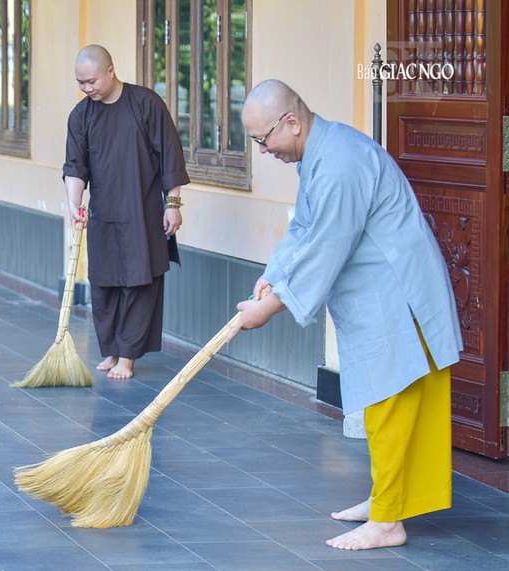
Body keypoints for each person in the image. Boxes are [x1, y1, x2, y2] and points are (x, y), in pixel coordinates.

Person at [227, 79, 463, 550]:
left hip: (398, 293)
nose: (263, 149)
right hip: (377, 296)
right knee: (383, 403)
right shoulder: (320, 153)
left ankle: (389, 522)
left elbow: (328, 244)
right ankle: (386, 500)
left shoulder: (340, 161)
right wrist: (272, 275)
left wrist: (269, 310)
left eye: (263, 139)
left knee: (391, 405)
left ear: (291, 122)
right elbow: (304, 227)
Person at [62, 45, 190, 380]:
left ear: (110, 70)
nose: (87, 88)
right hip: (104, 212)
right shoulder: (81, 116)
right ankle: (112, 350)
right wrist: (74, 205)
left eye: (91, 81)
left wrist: (173, 204)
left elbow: (171, 156)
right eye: (81, 83)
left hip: (143, 209)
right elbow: (75, 166)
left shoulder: (145, 103)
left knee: (139, 282)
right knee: (103, 283)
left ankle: (128, 357)